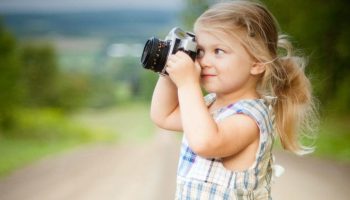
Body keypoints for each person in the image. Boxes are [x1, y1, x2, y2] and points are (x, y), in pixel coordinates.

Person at [150, 0, 318, 199]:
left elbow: (206, 142)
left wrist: (187, 84)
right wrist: (169, 70)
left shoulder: (250, 118)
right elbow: (164, 116)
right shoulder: (208, 104)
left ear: (256, 63)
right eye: (200, 51)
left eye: (218, 51)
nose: (203, 61)